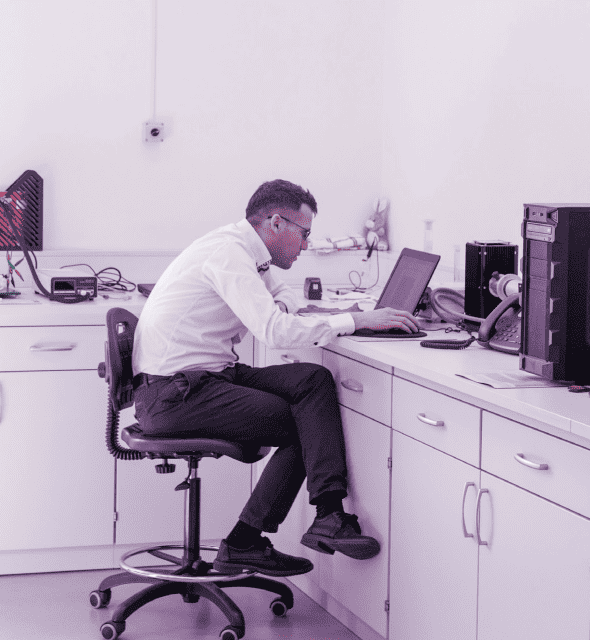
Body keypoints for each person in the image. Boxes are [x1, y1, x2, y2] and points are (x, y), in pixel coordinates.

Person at [131, 179, 419, 577]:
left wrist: (300, 311)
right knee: (307, 423)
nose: (306, 245)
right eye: (304, 234)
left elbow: (284, 296)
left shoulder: (249, 251)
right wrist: (355, 319)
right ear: (276, 223)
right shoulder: (228, 255)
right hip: (174, 395)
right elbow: (274, 331)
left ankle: (327, 515)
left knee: (312, 380)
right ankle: (247, 541)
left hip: (201, 378)